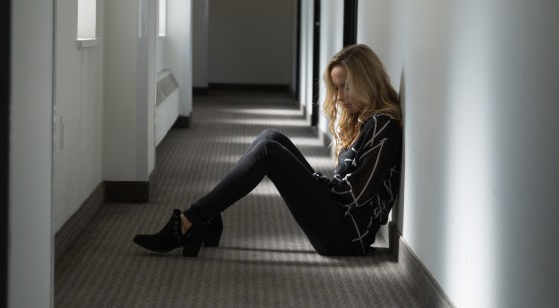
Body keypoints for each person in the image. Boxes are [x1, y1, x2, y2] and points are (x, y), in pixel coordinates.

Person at [132, 43, 403, 257]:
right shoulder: (368, 121)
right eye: (337, 87)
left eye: (347, 86)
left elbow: (352, 196)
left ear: (367, 81)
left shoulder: (382, 127)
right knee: (270, 137)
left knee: (269, 152)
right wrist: (315, 183)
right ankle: (205, 219)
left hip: (345, 236)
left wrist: (314, 183)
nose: (340, 97)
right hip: (338, 218)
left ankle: (190, 221)